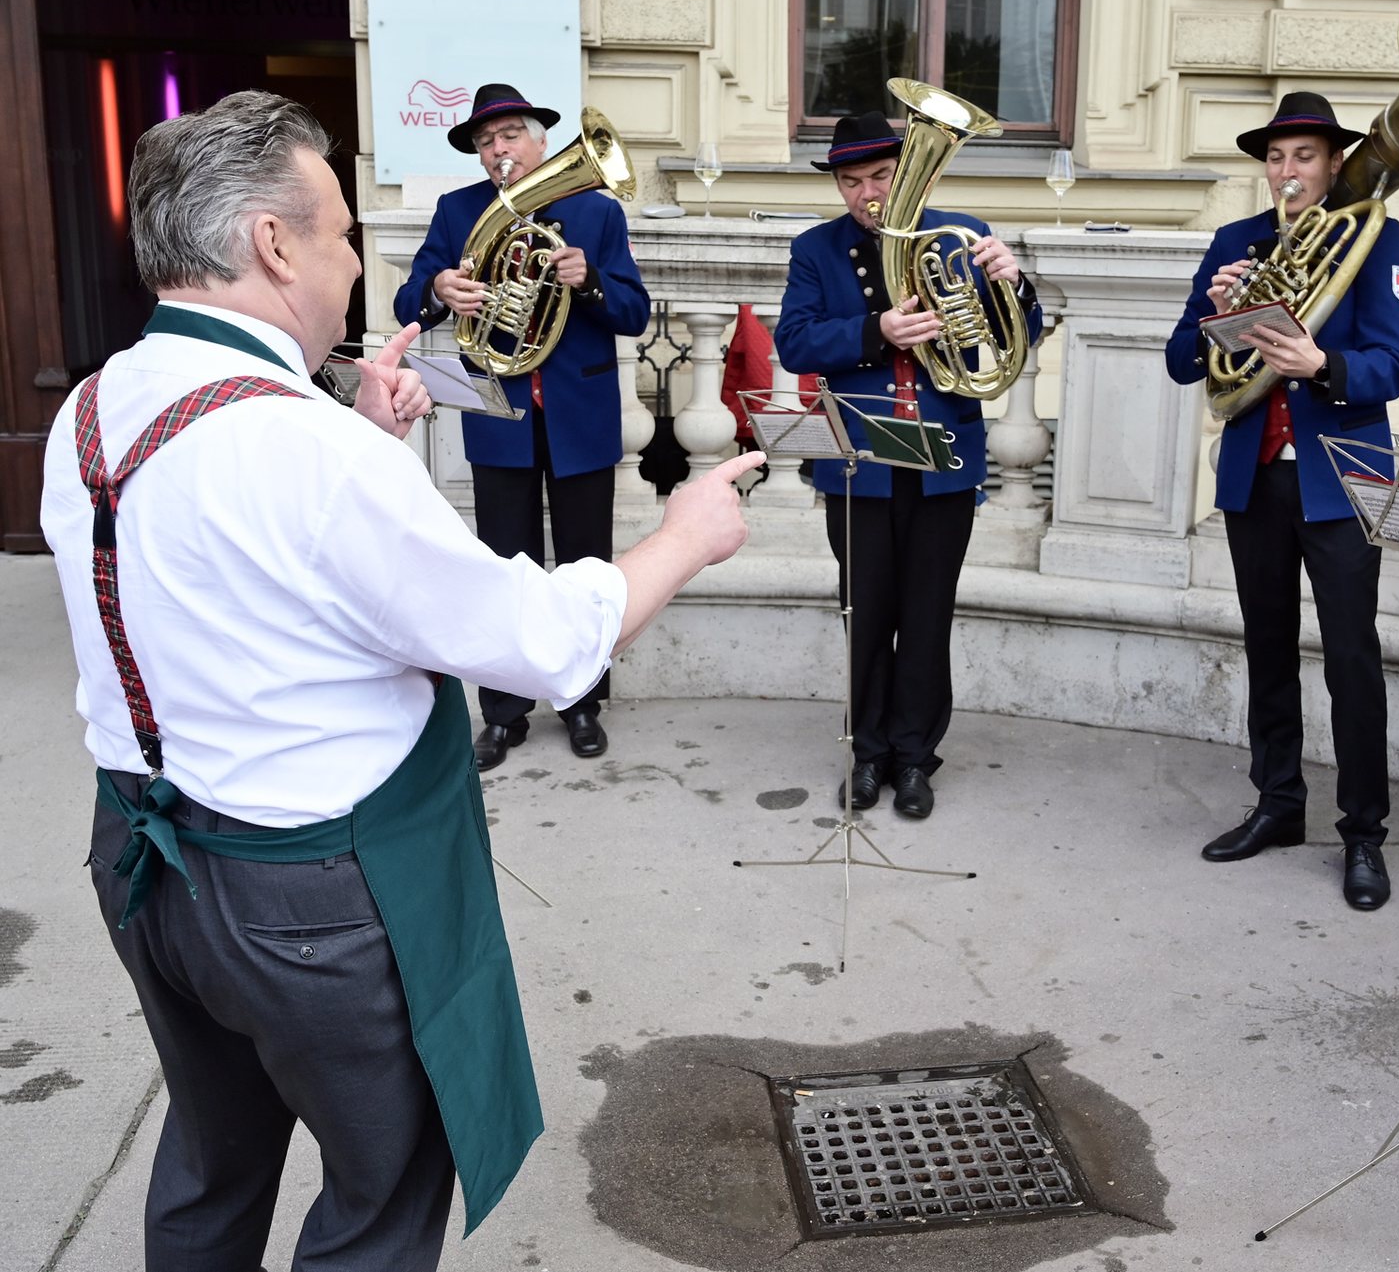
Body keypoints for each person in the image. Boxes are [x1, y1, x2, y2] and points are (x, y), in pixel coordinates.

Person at [40, 91, 761, 1270]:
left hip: (142, 860)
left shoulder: (89, 406)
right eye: (334, 231)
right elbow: (533, 642)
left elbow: (233, 583)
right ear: (272, 245)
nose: (351, 258)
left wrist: (365, 439)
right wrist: (683, 534)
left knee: (212, 1161)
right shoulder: (302, 446)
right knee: (381, 1197)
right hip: (306, 899)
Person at [1165, 92, 1399, 910]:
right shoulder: (1235, 244)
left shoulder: (1376, 237)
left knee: (1351, 660)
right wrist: (1216, 314)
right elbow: (1179, 359)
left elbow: (1393, 366)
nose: (1287, 171)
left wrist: (1321, 365)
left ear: (1334, 162)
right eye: (1275, 157)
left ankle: (1364, 834)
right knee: (1267, 647)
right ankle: (1277, 802)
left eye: (1303, 156)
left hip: (1341, 479)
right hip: (1255, 476)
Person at [774, 110, 1042, 819]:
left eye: (881, 175)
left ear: (904, 171)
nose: (868, 193)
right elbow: (795, 343)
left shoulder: (963, 232)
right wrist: (876, 330)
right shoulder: (816, 250)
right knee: (864, 613)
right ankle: (868, 754)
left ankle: (916, 757)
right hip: (858, 464)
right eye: (851, 180)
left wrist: (1013, 283)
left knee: (927, 614)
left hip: (945, 459)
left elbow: (1023, 332)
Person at [395, 82, 651, 770]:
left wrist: (590, 279)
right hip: (500, 414)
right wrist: (438, 289)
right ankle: (504, 713)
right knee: (503, 568)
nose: (498, 148)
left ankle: (582, 703)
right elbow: (406, 298)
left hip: (579, 413)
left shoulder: (594, 213)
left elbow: (634, 312)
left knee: (584, 565)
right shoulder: (458, 212)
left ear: (541, 140)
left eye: (510, 133)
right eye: (486, 140)